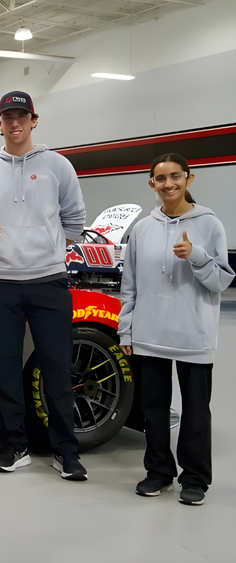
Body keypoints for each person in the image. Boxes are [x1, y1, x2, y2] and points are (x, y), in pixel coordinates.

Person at [0, 90, 88, 480]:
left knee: (57, 369)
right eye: (8, 117)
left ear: (34, 120)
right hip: (0, 284)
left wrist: (46, 249)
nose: (15, 123)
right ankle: (15, 446)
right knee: (8, 369)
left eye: (22, 116)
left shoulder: (58, 166)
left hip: (49, 282)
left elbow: (75, 221)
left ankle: (67, 451)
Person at [118, 153, 233, 506]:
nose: (169, 184)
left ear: (189, 179)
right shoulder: (141, 228)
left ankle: (195, 478)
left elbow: (220, 282)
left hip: (193, 335)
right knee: (153, 408)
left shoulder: (209, 224)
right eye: (161, 178)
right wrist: (126, 330)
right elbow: (130, 284)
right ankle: (159, 472)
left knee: (197, 410)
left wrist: (197, 255)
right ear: (151, 183)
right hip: (149, 334)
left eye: (176, 177)